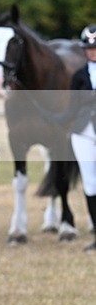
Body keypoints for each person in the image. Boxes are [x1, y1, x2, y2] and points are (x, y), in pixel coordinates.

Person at [69, 24, 96, 251]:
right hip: (84, 133)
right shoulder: (79, 76)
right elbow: (72, 107)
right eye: (89, 49)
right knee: (90, 183)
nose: (92, 52)